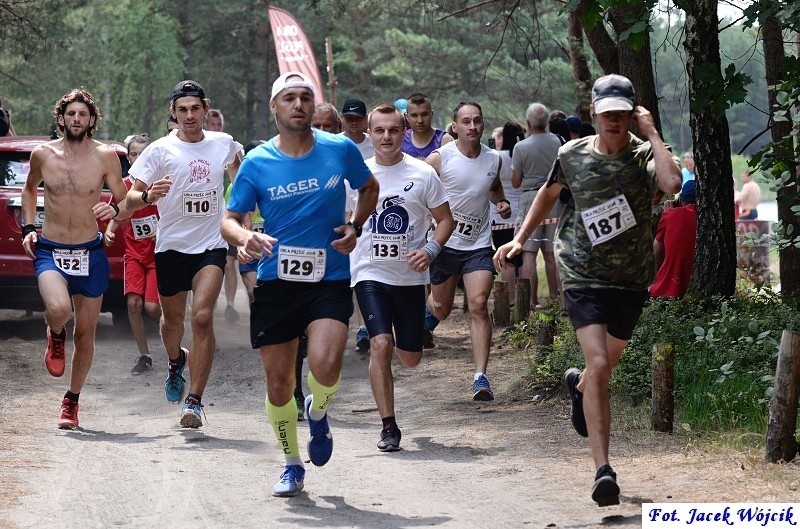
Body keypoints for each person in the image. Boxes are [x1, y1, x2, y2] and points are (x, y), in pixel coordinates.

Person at [493, 73, 681, 507]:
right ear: (593, 113)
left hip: (630, 279)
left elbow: (671, 185)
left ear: (630, 114)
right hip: (580, 271)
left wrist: (652, 132)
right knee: (598, 361)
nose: (613, 120)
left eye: (622, 112)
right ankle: (603, 470)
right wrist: (521, 238)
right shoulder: (571, 153)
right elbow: (546, 193)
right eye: (606, 112)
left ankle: (578, 386)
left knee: (600, 368)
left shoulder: (642, 156)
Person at [221, 71, 379, 497]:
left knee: (326, 367)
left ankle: (319, 410)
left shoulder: (339, 148)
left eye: (305, 98)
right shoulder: (256, 162)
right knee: (278, 385)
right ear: (274, 107)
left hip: (328, 277)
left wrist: (355, 225)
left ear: (313, 106)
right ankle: (292, 464)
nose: (298, 105)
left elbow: (369, 186)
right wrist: (245, 237)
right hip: (276, 281)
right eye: (289, 98)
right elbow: (229, 220)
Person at [125, 80, 243, 428]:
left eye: (195, 109)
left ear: (206, 109)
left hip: (211, 245)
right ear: (173, 113)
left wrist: (243, 217)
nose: (190, 116)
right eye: (182, 110)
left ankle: (194, 401)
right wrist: (147, 197)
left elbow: (242, 179)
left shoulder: (223, 143)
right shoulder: (160, 150)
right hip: (172, 246)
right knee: (172, 323)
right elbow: (129, 200)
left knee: (203, 317)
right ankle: (176, 360)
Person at [21, 87, 134, 429]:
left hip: (90, 252)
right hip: (52, 250)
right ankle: (55, 334)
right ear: (61, 118)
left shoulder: (105, 157)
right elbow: (28, 189)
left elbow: (126, 201)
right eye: (70, 114)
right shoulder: (42, 154)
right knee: (59, 309)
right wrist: (29, 226)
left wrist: (114, 208)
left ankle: (71, 402)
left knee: (86, 335)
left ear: (92, 120)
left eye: (82, 114)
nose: (76, 119)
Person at [353, 102, 453, 451]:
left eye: (393, 130)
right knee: (380, 344)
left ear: (404, 131)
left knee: (409, 357)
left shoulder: (423, 173)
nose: (386, 137)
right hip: (368, 272)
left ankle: (407, 334)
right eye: (379, 130)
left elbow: (445, 221)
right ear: (369, 134)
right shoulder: (358, 175)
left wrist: (430, 250)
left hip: (410, 278)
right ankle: (388, 426)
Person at [423, 101, 512, 401]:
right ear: (455, 126)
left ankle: (480, 377)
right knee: (442, 309)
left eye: (477, 120)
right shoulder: (439, 159)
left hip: (477, 245)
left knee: (477, 304)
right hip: (445, 245)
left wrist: (501, 202)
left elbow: (494, 186)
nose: (472, 126)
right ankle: (423, 315)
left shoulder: (493, 159)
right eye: (466, 121)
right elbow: (416, 188)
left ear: (483, 124)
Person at [104, 134, 161, 374]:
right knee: (134, 304)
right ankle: (144, 356)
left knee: (152, 308)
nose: (138, 158)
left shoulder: (160, 184)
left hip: (159, 255)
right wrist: (109, 229)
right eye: (134, 154)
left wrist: (163, 232)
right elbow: (117, 210)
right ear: (128, 157)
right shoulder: (125, 186)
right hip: (134, 255)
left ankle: (173, 331)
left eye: (143, 154)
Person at [511, 102, 563, 310]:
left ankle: (531, 301)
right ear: (547, 122)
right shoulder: (559, 142)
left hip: (530, 198)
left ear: (528, 123)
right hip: (556, 196)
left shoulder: (521, 147)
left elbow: (515, 182)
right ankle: (556, 297)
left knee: (529, 252)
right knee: (553, 252)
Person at [203, 108, 240, 324]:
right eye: (212, 125)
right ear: (206, 125)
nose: (216, 128)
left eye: (219, 125)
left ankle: (231, 304)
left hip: (229, 214)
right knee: (211, 264)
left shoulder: (228, 146)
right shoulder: (199, 148)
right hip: (207, 218)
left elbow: (241, 179)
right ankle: (210, 305)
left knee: (229, 261)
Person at [491, 122, 525, 305]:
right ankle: (524, 298)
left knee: (505, 259)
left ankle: (510, 298)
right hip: (521, 214)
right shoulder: (523, 154)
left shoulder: (497, 156)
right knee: (523, 258)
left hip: (500, 214)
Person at [651, 180, 697, 299]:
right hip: (697, 288)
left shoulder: (670, 215)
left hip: (666, 290)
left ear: (681, 199)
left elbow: (654, 253)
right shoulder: (708, 219)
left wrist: (667, 215)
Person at [402, 92, 453, 160]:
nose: (420, 120)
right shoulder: (401, 139)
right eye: (414, 115)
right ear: (407, 117)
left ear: (431, 114)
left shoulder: (445, 140)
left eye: (424, 114)